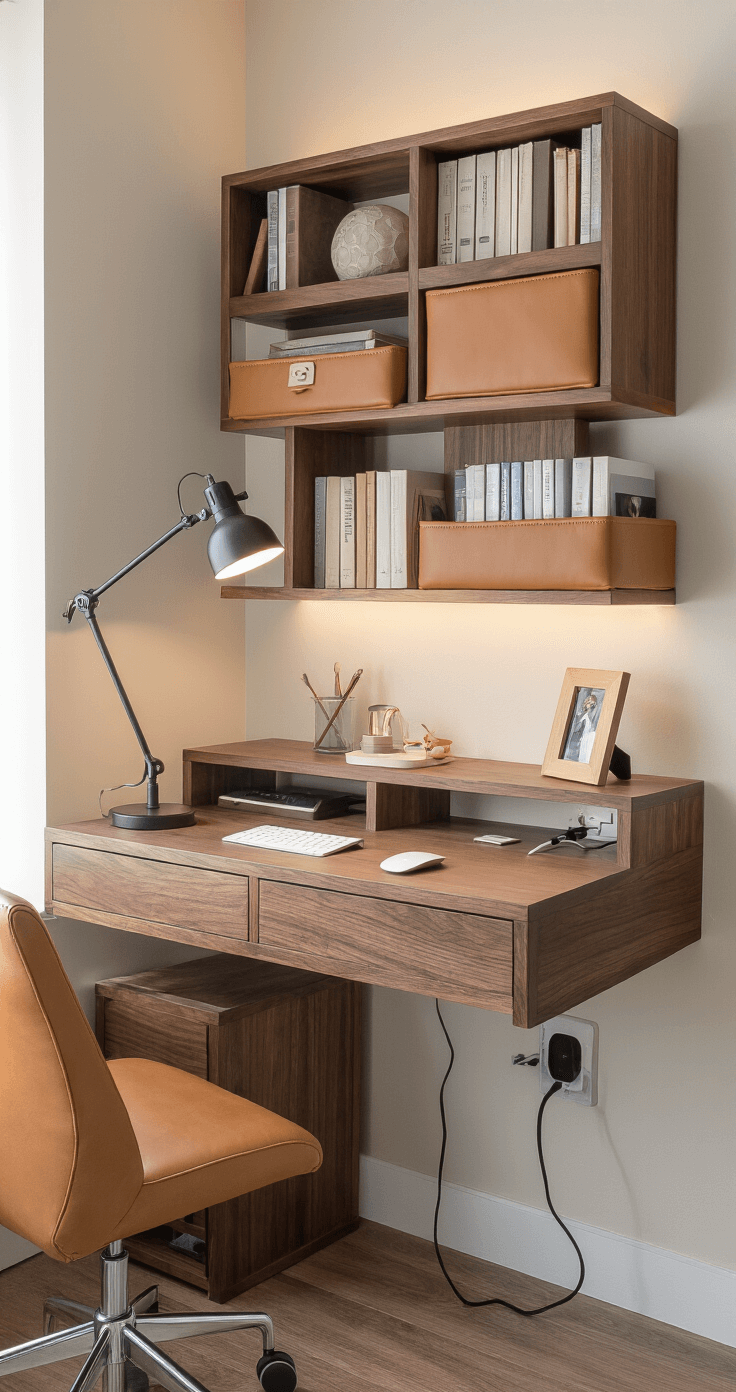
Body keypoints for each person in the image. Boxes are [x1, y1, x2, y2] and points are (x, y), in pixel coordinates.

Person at [564, 690, 601, 763]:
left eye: (592, 704)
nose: (590, 705)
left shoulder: (589, 719)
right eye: (589, 702)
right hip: (573, 746)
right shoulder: (579, 715)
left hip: (581, 745)